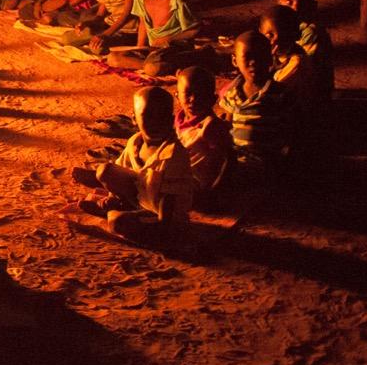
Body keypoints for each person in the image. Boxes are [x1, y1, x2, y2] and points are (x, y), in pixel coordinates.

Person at [73, 86, 194, 242]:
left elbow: (169, 200)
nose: (155, 122)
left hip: (162, 212)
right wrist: (113, 196)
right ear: (134, 119)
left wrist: (163, 226)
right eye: (148, 116)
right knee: (104, 170)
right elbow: (122, 168)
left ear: (171, 120)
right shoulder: (135, 142)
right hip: (139, 197)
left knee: (119, 223)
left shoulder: (174, 154)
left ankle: (113, 214)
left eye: (162, 117)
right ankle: (120, 206)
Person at [105, 0, 201, 74]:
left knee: (154, 65)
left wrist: (168, 39)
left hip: (174, 49)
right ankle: (150, 66)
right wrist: (139, 49)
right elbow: (143, 23)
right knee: (113, 58)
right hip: (153, 51)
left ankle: (192, 58)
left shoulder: (176, 2)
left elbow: (194, 30)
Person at [217, 31, 293, 175]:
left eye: (260, 56)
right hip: (237, 160)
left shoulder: (280, 94)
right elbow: (227, 125)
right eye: (247, 57)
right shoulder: (232, 93)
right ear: (234, 61)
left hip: (268, 163)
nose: (253, 62)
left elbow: (291, 130)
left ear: (270, 59)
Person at [174, 66, 233, 206]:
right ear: (177, 96)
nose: (193, 99)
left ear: (213, 99)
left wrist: (215, 190)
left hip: (196, 183)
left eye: (201, 94)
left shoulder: (211, 126)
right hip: (176, 176)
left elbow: (230, 159)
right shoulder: (177, 119)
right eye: (188, 93)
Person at [277, 0, 334, 103]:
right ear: (279, 3)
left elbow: (300, 68)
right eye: (289, 2)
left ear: (313, 6)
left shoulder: (311, 32)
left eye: (302, 3)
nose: (295, 8)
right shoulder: (284, 27)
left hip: (312, 96)